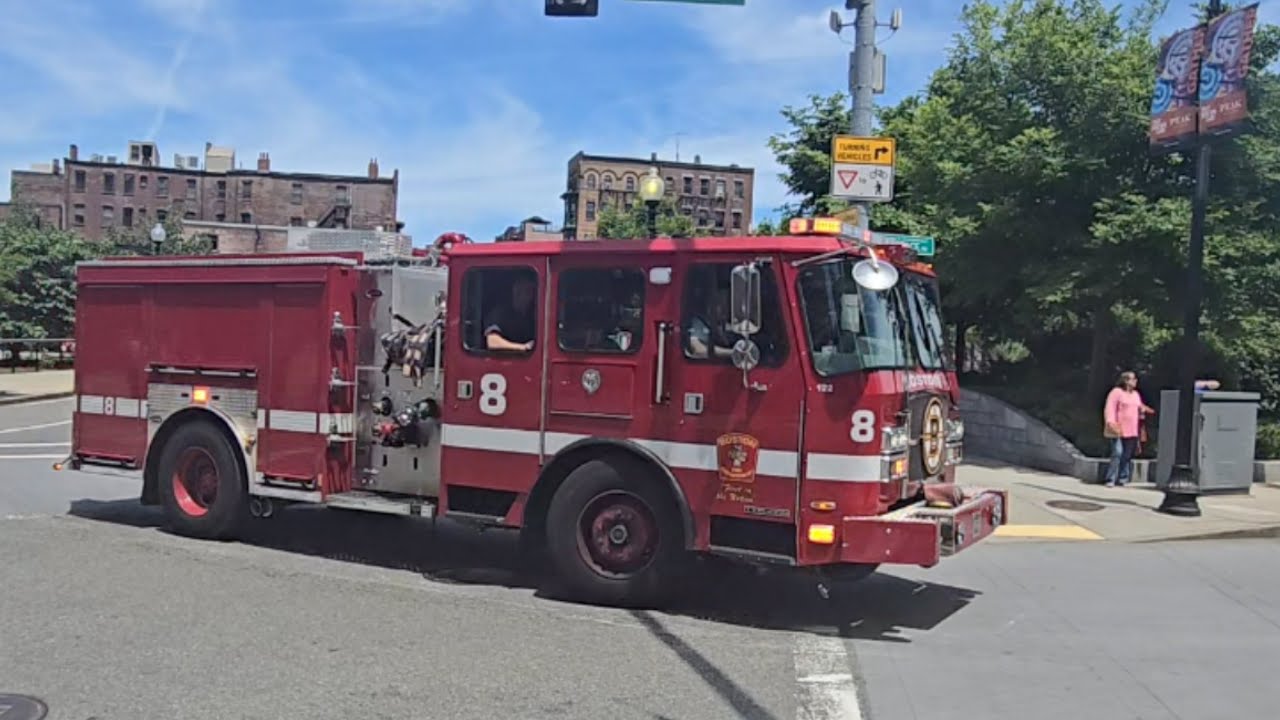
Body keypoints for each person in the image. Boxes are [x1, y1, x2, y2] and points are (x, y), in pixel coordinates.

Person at [1103, 370, 1155, 487]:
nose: (1135, 381)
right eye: (1133, 379)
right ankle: (1110, 478)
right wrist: (1110, 421)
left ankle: (1123, 478)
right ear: (1126, 380)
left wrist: (1145, 410)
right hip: (1118, 428)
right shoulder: (1116, 392)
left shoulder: (1136, 394)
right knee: (1117, 452)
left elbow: (1139, 406)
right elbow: (1110, 407)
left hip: (1132, 429)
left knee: (1127, 455)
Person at [484, 275, 537, 352]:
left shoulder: (531, 315)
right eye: (528, 291)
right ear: (516, 292)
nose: (532, 295)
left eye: (533, 291)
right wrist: (523, 347)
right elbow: (492, 342)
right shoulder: (500, 314)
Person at [686, 286, 736, 359]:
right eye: (720, 303)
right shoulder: (698, 322)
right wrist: (732, 353)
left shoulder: (724, 325)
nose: (724, 309)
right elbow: (696, 348)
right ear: (710, 305)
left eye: (726, 304)